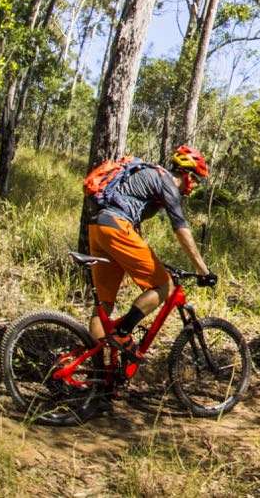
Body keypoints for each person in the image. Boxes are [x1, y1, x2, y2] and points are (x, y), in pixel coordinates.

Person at [84, 145, 217, 361]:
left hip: (98, 228)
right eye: (195, 180)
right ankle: (123, 334)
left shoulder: (149, 177)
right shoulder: (166, 181)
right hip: (116, 227)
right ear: (186, 174)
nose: (193, 186)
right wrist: (202, 269)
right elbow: (181, 228)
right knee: (165, 285)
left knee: (105, 305)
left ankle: (100, 373)